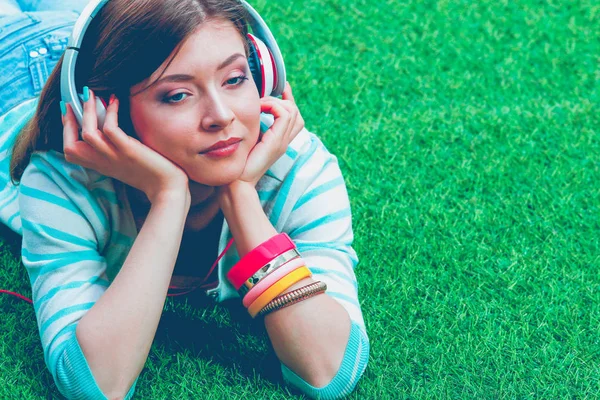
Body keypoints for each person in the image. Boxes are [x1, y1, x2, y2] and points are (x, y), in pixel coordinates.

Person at [0, 0, 370, 399]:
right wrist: (169, 196)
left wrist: (240, 193)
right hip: (12, 69)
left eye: (234, 78)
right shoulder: (64, 179)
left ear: (263, 74)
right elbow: (96, 385)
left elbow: (328, 371)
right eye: (177, 95)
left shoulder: (297, 166)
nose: (221, 117)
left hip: (115, 33)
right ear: (113, 115)